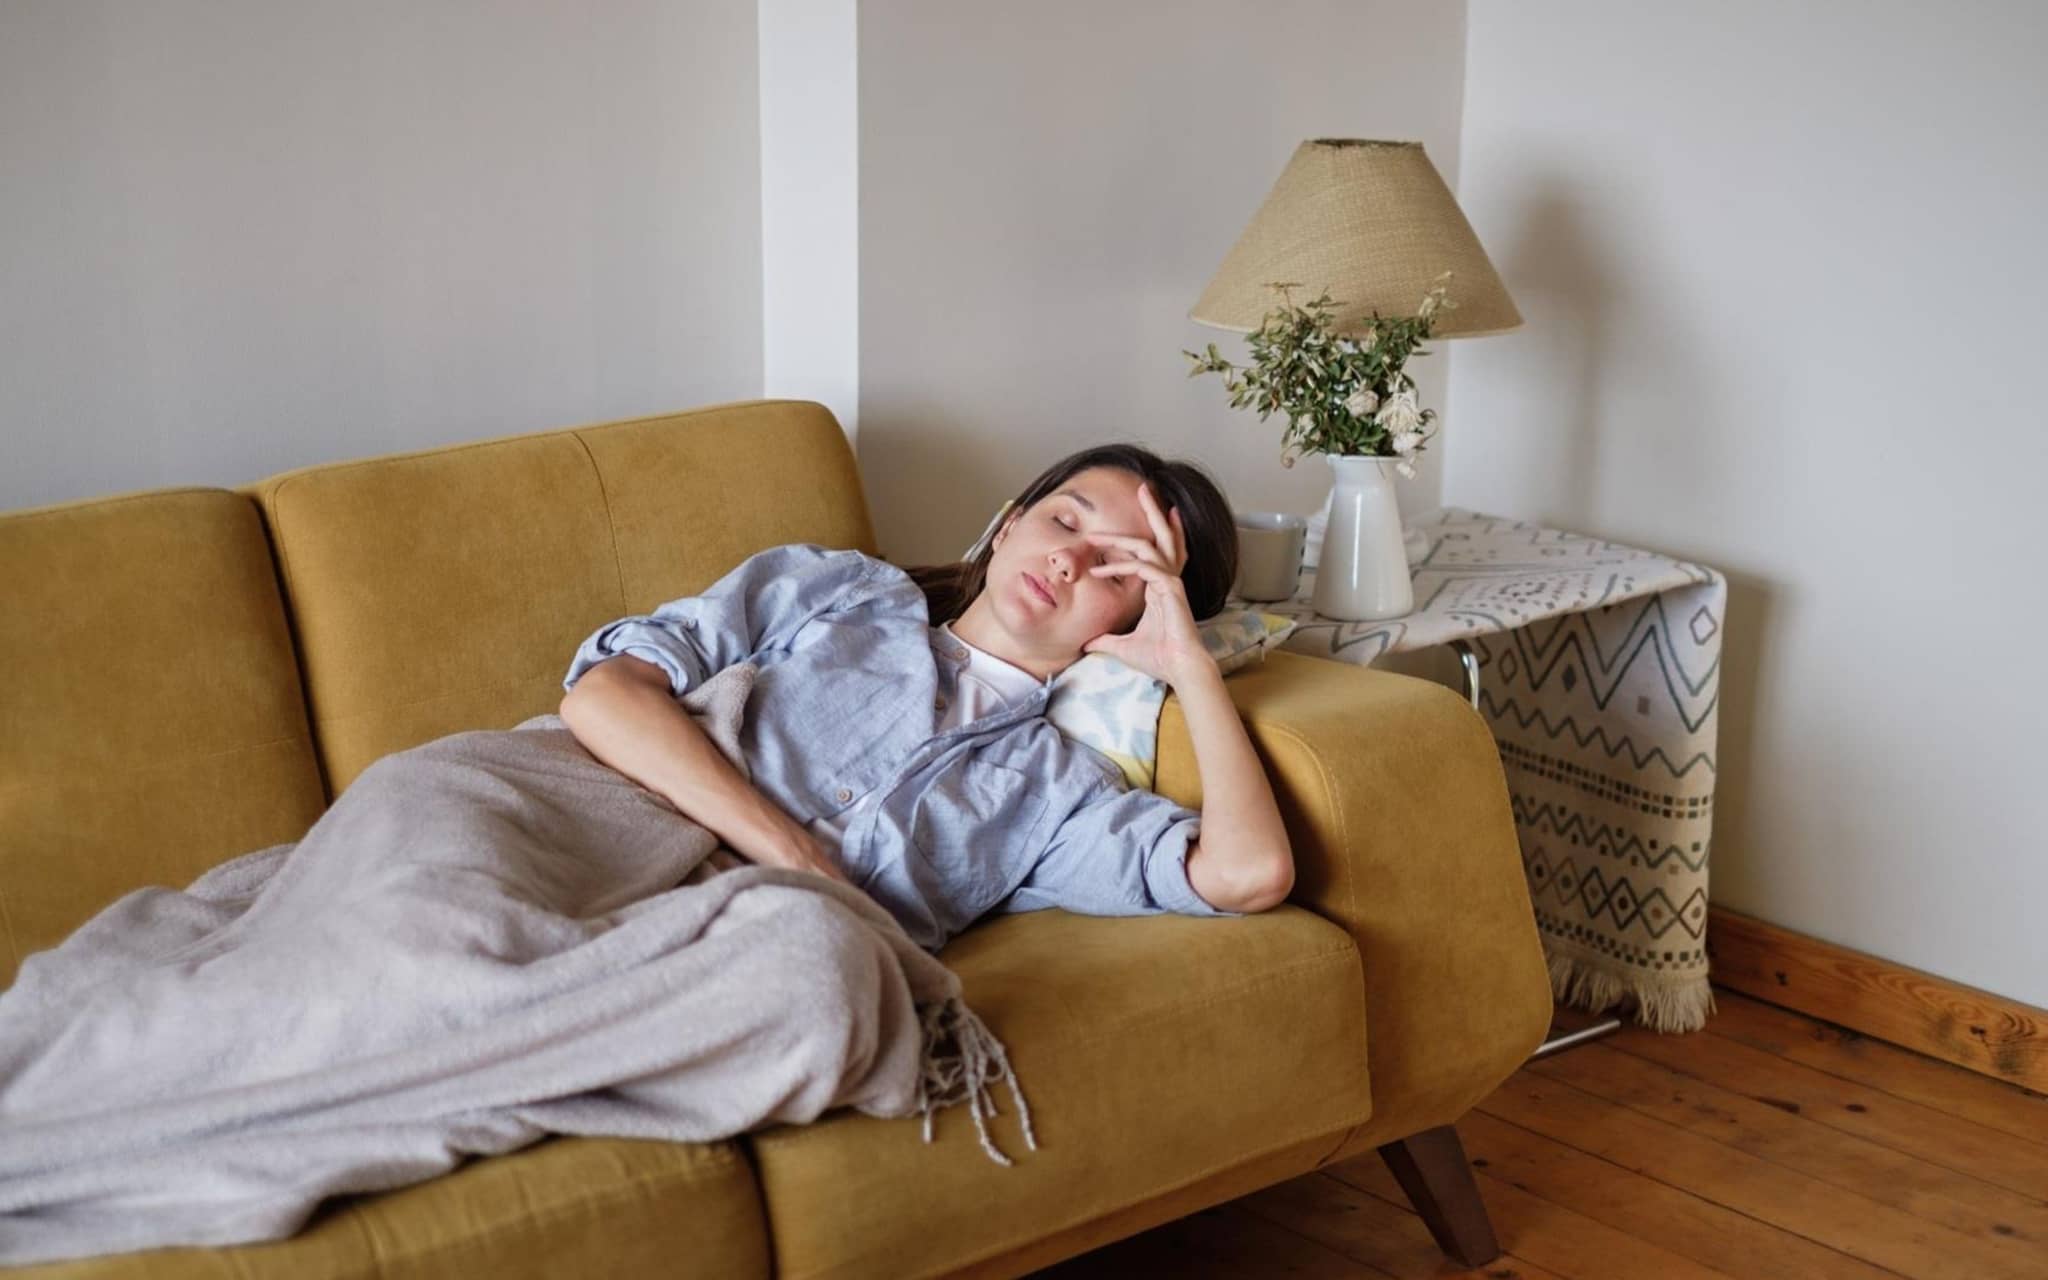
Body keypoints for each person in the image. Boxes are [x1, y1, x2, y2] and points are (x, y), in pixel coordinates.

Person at [558, 443, 1295, 952]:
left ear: (1142, 615)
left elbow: (1248, 874)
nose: (1068, 559)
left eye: (1116, 567)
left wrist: (1186, 665)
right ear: (1009, 527)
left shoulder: (1055, 790)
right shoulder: (841, 592)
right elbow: (604, 697)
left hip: (757, 944)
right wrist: (797, 859)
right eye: (1064, 521)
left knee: (821, 988)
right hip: (583, 815)